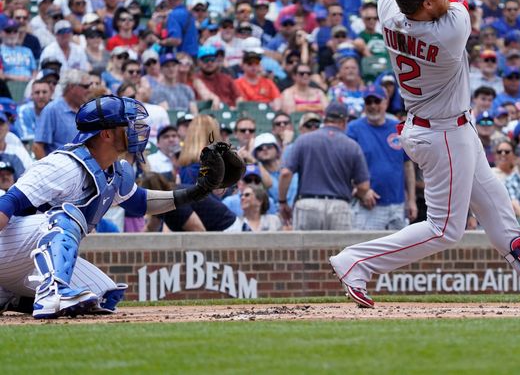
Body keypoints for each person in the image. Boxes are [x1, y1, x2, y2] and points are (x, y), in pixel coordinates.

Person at [329, 0, 520, 309]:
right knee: (444, 230)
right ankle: (356, 262)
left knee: (497, 208)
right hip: (443, 134)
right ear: (428, 4)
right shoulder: (450, 30)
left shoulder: (389, 14)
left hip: (442, 128)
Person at [0, 95, 228, 319]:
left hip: (25, 263)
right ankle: (52, 293)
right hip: (9, 249)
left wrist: (198, 192)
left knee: (102, 296)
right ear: (107, 134)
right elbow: (8, 203)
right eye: (127, 124)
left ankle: (10, 296)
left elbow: (140, 202)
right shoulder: (64, 165)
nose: (134, 128)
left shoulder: (113, 170)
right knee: (65, 216)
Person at [278, 102, 370, 231]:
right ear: (344, 121)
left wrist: (282, 202)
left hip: (307, 205)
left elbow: (285, 173)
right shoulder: (352, 146)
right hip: (339, 206)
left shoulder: (303, 140)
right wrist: (355, 193)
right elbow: (364, 186)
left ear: (325, 118)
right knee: (339, 251)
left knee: (306, 251)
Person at [346, 85, 417, 230]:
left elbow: (408, 166)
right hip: (368, 205)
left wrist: (411, 200)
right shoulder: (354, 129)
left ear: (386, 102)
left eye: (377, 101)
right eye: (369, 102)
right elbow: (346, 165)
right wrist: (361, 190)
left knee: (399, 251)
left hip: (397, 204)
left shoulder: (398, 128)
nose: (373, 106)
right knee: (367, 250)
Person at [33, 70, 92, 159]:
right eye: (86, 86)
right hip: (60, 169)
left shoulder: (86, 109)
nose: (89, 90)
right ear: (71, 87)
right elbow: (38, 147)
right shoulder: (52, 109)